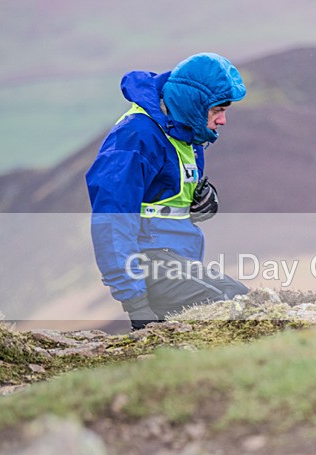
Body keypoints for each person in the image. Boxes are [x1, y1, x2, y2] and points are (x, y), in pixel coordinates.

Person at [86, 53, 249, 330]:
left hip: (177, 259)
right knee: (237, 303)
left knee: (242, 306)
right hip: (148, 264)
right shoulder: (136, 137)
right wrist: (136, 303)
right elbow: (112, 221)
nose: (222, 121)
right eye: (217, 110)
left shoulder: (187, 130)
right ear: (194, 103)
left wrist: (199, 203)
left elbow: (166, 196)